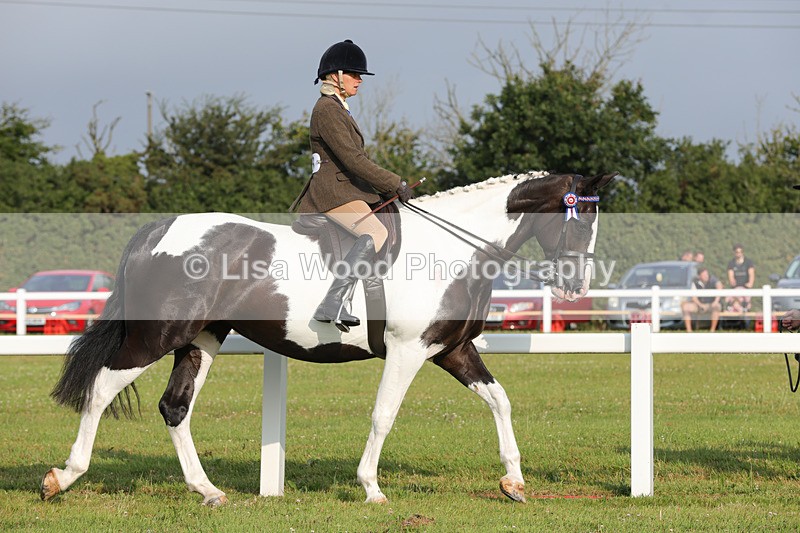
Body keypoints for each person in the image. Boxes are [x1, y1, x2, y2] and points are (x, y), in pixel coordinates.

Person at [291, 39, 413, 329]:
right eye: (355, 74)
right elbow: (353, 160)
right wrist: (394, 182)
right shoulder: (327, 109)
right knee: (376, 232)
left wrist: (386, 188)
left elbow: (359, 160)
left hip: (347, 189)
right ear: (335, 76)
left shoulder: (339, 107)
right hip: (332, 193)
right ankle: (333, 302)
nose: (360, 80)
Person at [681, 266, 724, 332]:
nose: (706, 276)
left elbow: (719, 286)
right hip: (699, 305)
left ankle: (712, 330)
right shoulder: (695, 282)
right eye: (704, 275)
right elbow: (694, 297)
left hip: (711, 304)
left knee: (716, 307)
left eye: (706, 274)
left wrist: (716, 301)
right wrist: (700, 305)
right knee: (685, 307)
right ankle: (689, 331)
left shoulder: (713, 279)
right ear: (699, 276)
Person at [726, 243, 755, 319]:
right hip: (735, 288)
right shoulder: (731, 263)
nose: (738, 254)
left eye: (740, 252)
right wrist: (733, 282)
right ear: (734, 252)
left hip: (746, 288)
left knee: (746, 303)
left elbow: (751, 275)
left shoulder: (748, 262)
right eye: (737, 252)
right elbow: (731, 278)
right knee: (731, 301)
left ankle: (746, 315)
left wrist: (750, 284)